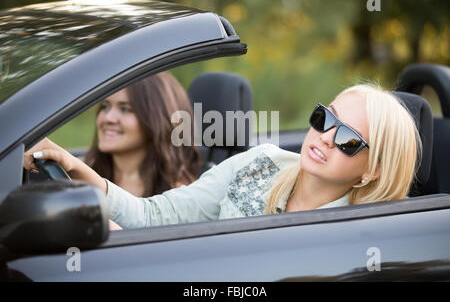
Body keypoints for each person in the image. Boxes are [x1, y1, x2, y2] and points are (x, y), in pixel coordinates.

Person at [24, 84, 422, 230]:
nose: (326, 137)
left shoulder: (366, 233)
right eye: (325, 117)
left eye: (350, 138)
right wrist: (76, 169)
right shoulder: (258, 163)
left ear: (373, 172)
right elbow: (153, 216)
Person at [84, 71, 201, 198]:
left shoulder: (176, 196)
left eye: (125, 109)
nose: (108, 118)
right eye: (105, 107)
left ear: (156, 120)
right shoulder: (82, 176)